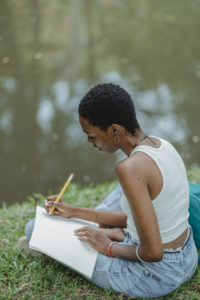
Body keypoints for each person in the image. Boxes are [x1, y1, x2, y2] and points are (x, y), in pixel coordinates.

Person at [20, 83, 198, 298]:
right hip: (186, 258)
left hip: (153, 276)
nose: (89, 141)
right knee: (121, 192)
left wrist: (109, 247)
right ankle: (110, 231)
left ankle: (109, 235)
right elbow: (141, 216)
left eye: (92, 135)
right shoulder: (161, 144)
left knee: (34, 228)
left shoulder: (130, 169)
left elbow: (153, 253)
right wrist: (74, 211)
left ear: (115, 130)